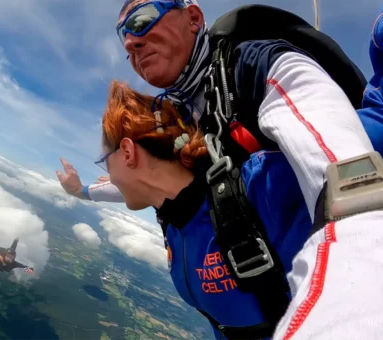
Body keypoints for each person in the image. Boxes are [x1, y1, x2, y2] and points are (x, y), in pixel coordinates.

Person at [57, 1, 383, 339]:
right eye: (122, 35)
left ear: (194, 17)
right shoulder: (179, 119)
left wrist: (349, 313)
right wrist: (81, 191)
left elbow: (351, 193)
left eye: (141, 20)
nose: (130, 42)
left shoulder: (257, 65)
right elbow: (145, 178)